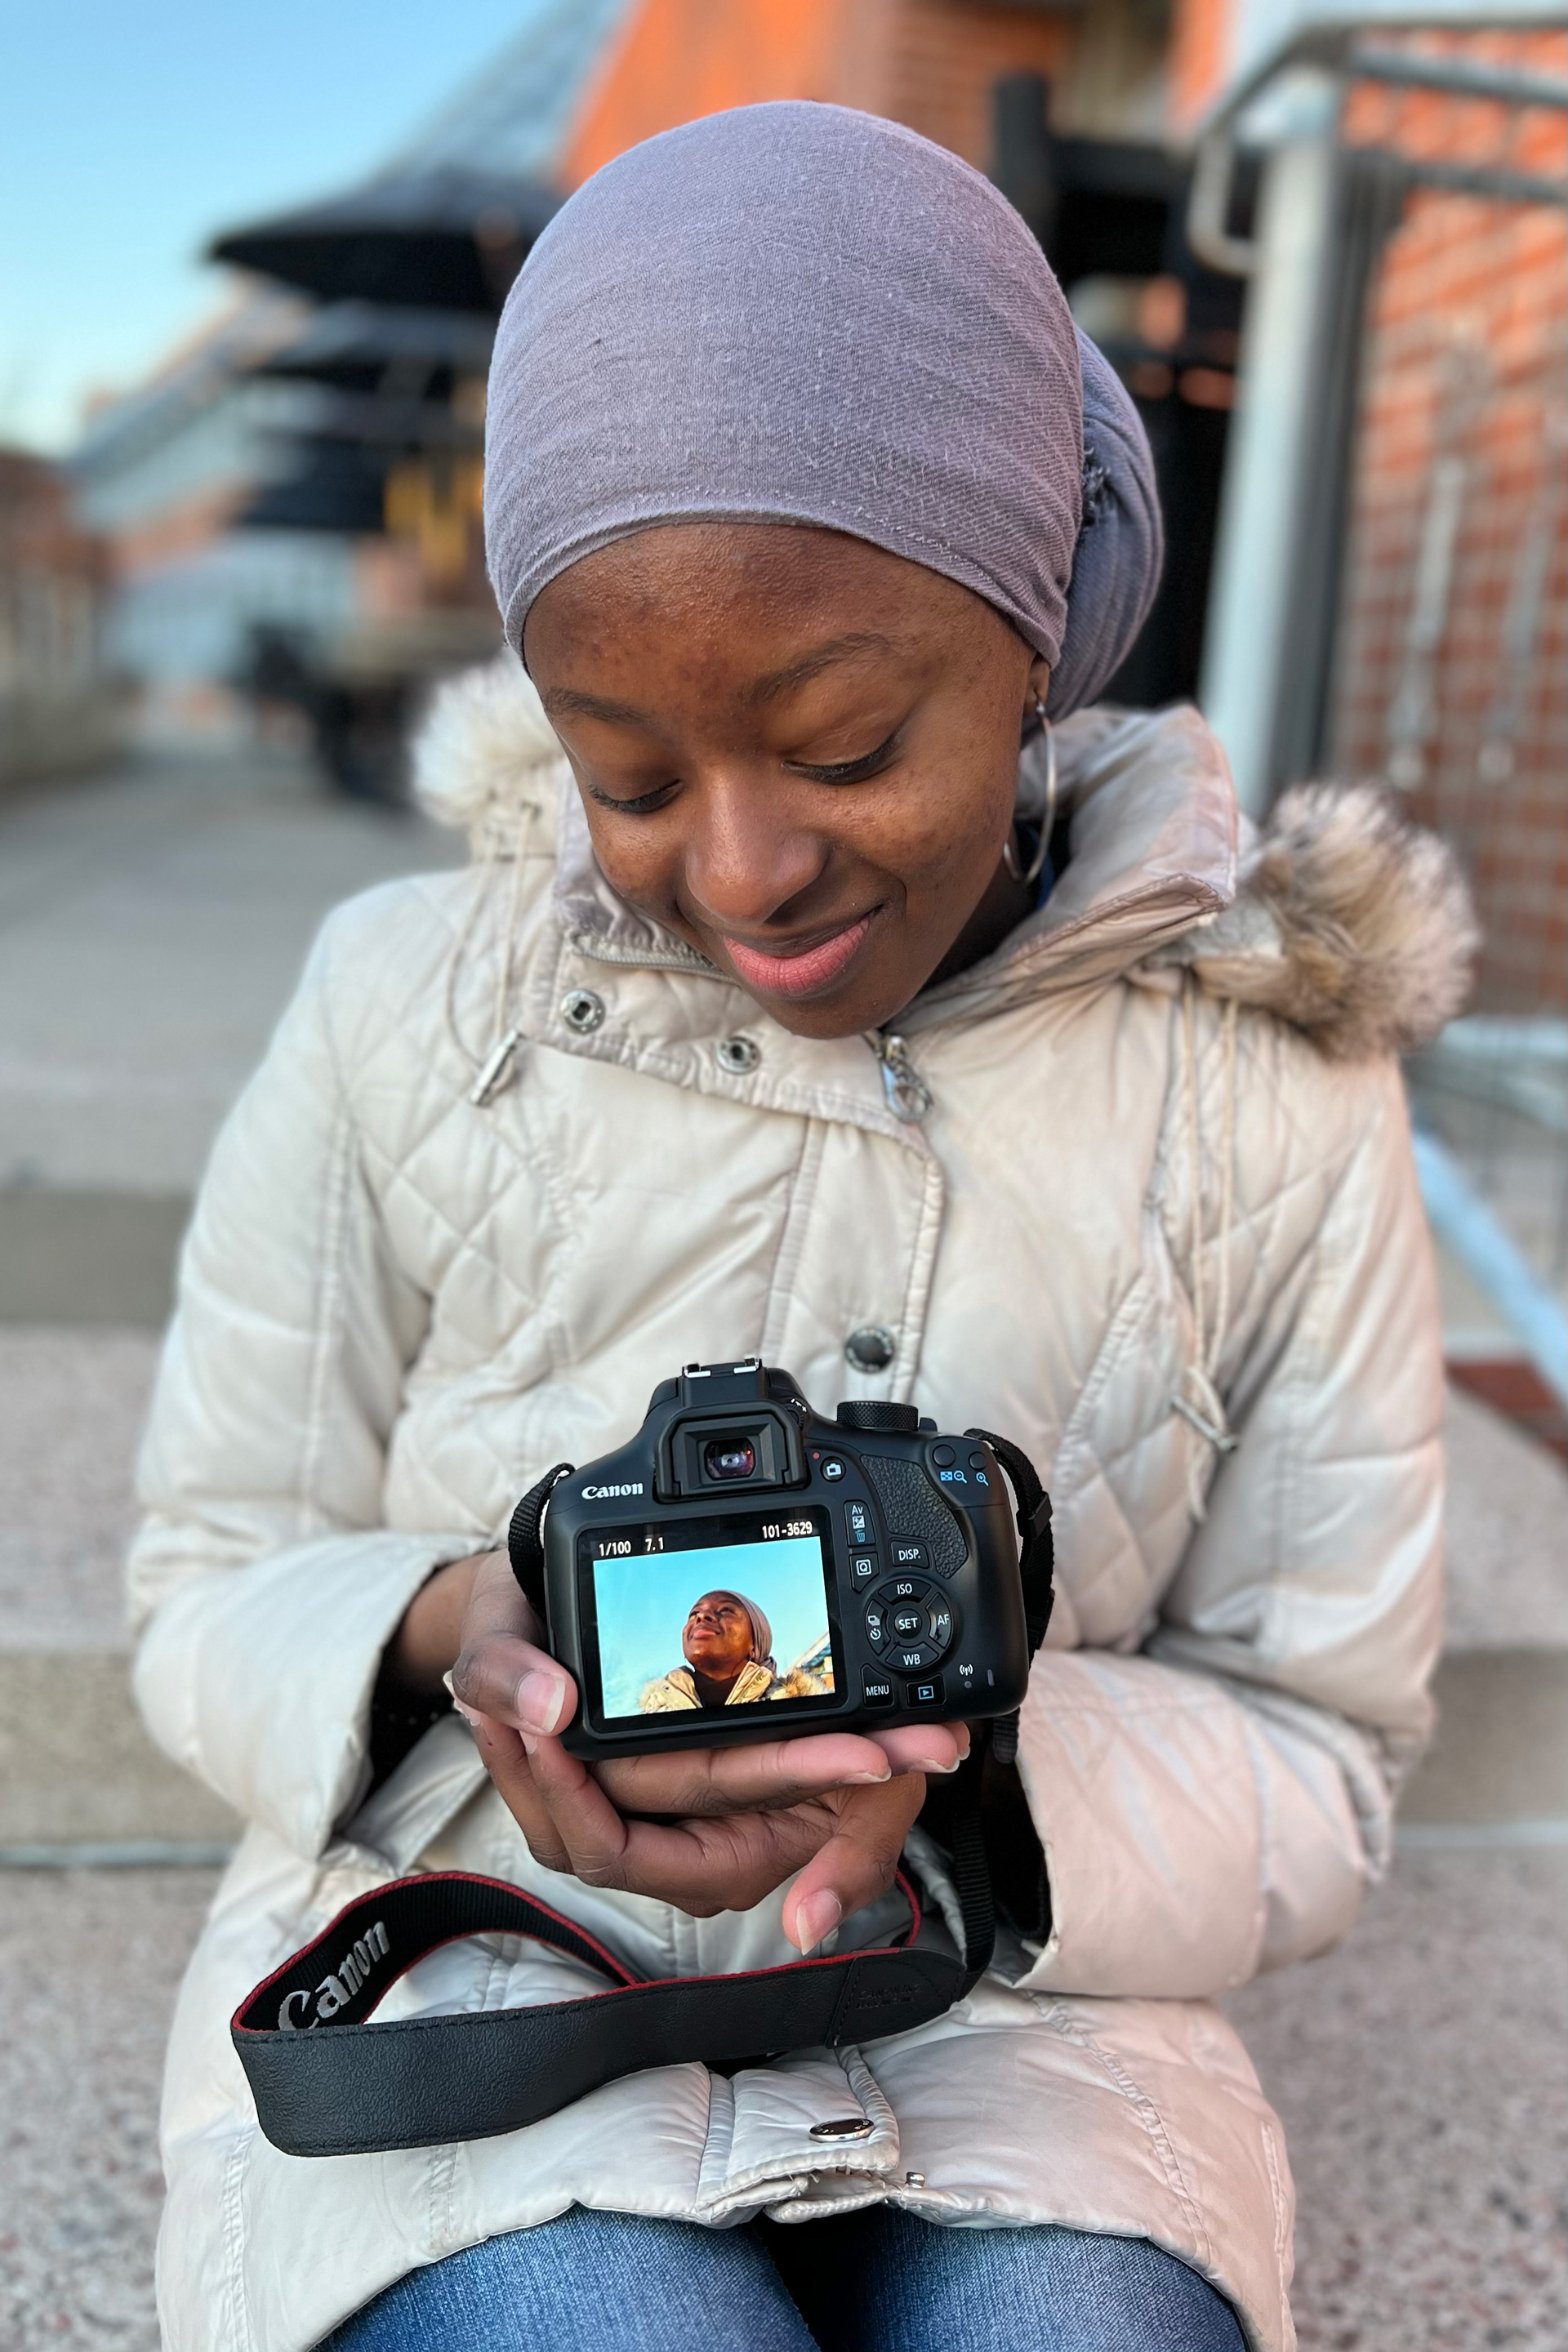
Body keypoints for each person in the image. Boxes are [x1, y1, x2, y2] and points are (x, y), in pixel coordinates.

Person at [127, 104, 1472, 2352]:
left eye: (850, 742)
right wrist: (457, 1627)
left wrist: (987, 1774)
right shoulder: (403, 1003)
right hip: (479, 1980)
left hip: (1030, 2029)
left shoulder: (1274, 1077)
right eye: (626, 774)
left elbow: (1323, 1746)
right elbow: (200, 1583)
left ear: (1040, 629)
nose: (741, 870)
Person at [638, 1588, 811, 1711]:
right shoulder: (653, 1715)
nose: (702, 1616)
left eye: (726, 1610)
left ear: (755, 1644)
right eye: (693, 1614)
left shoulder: (798, 1707)